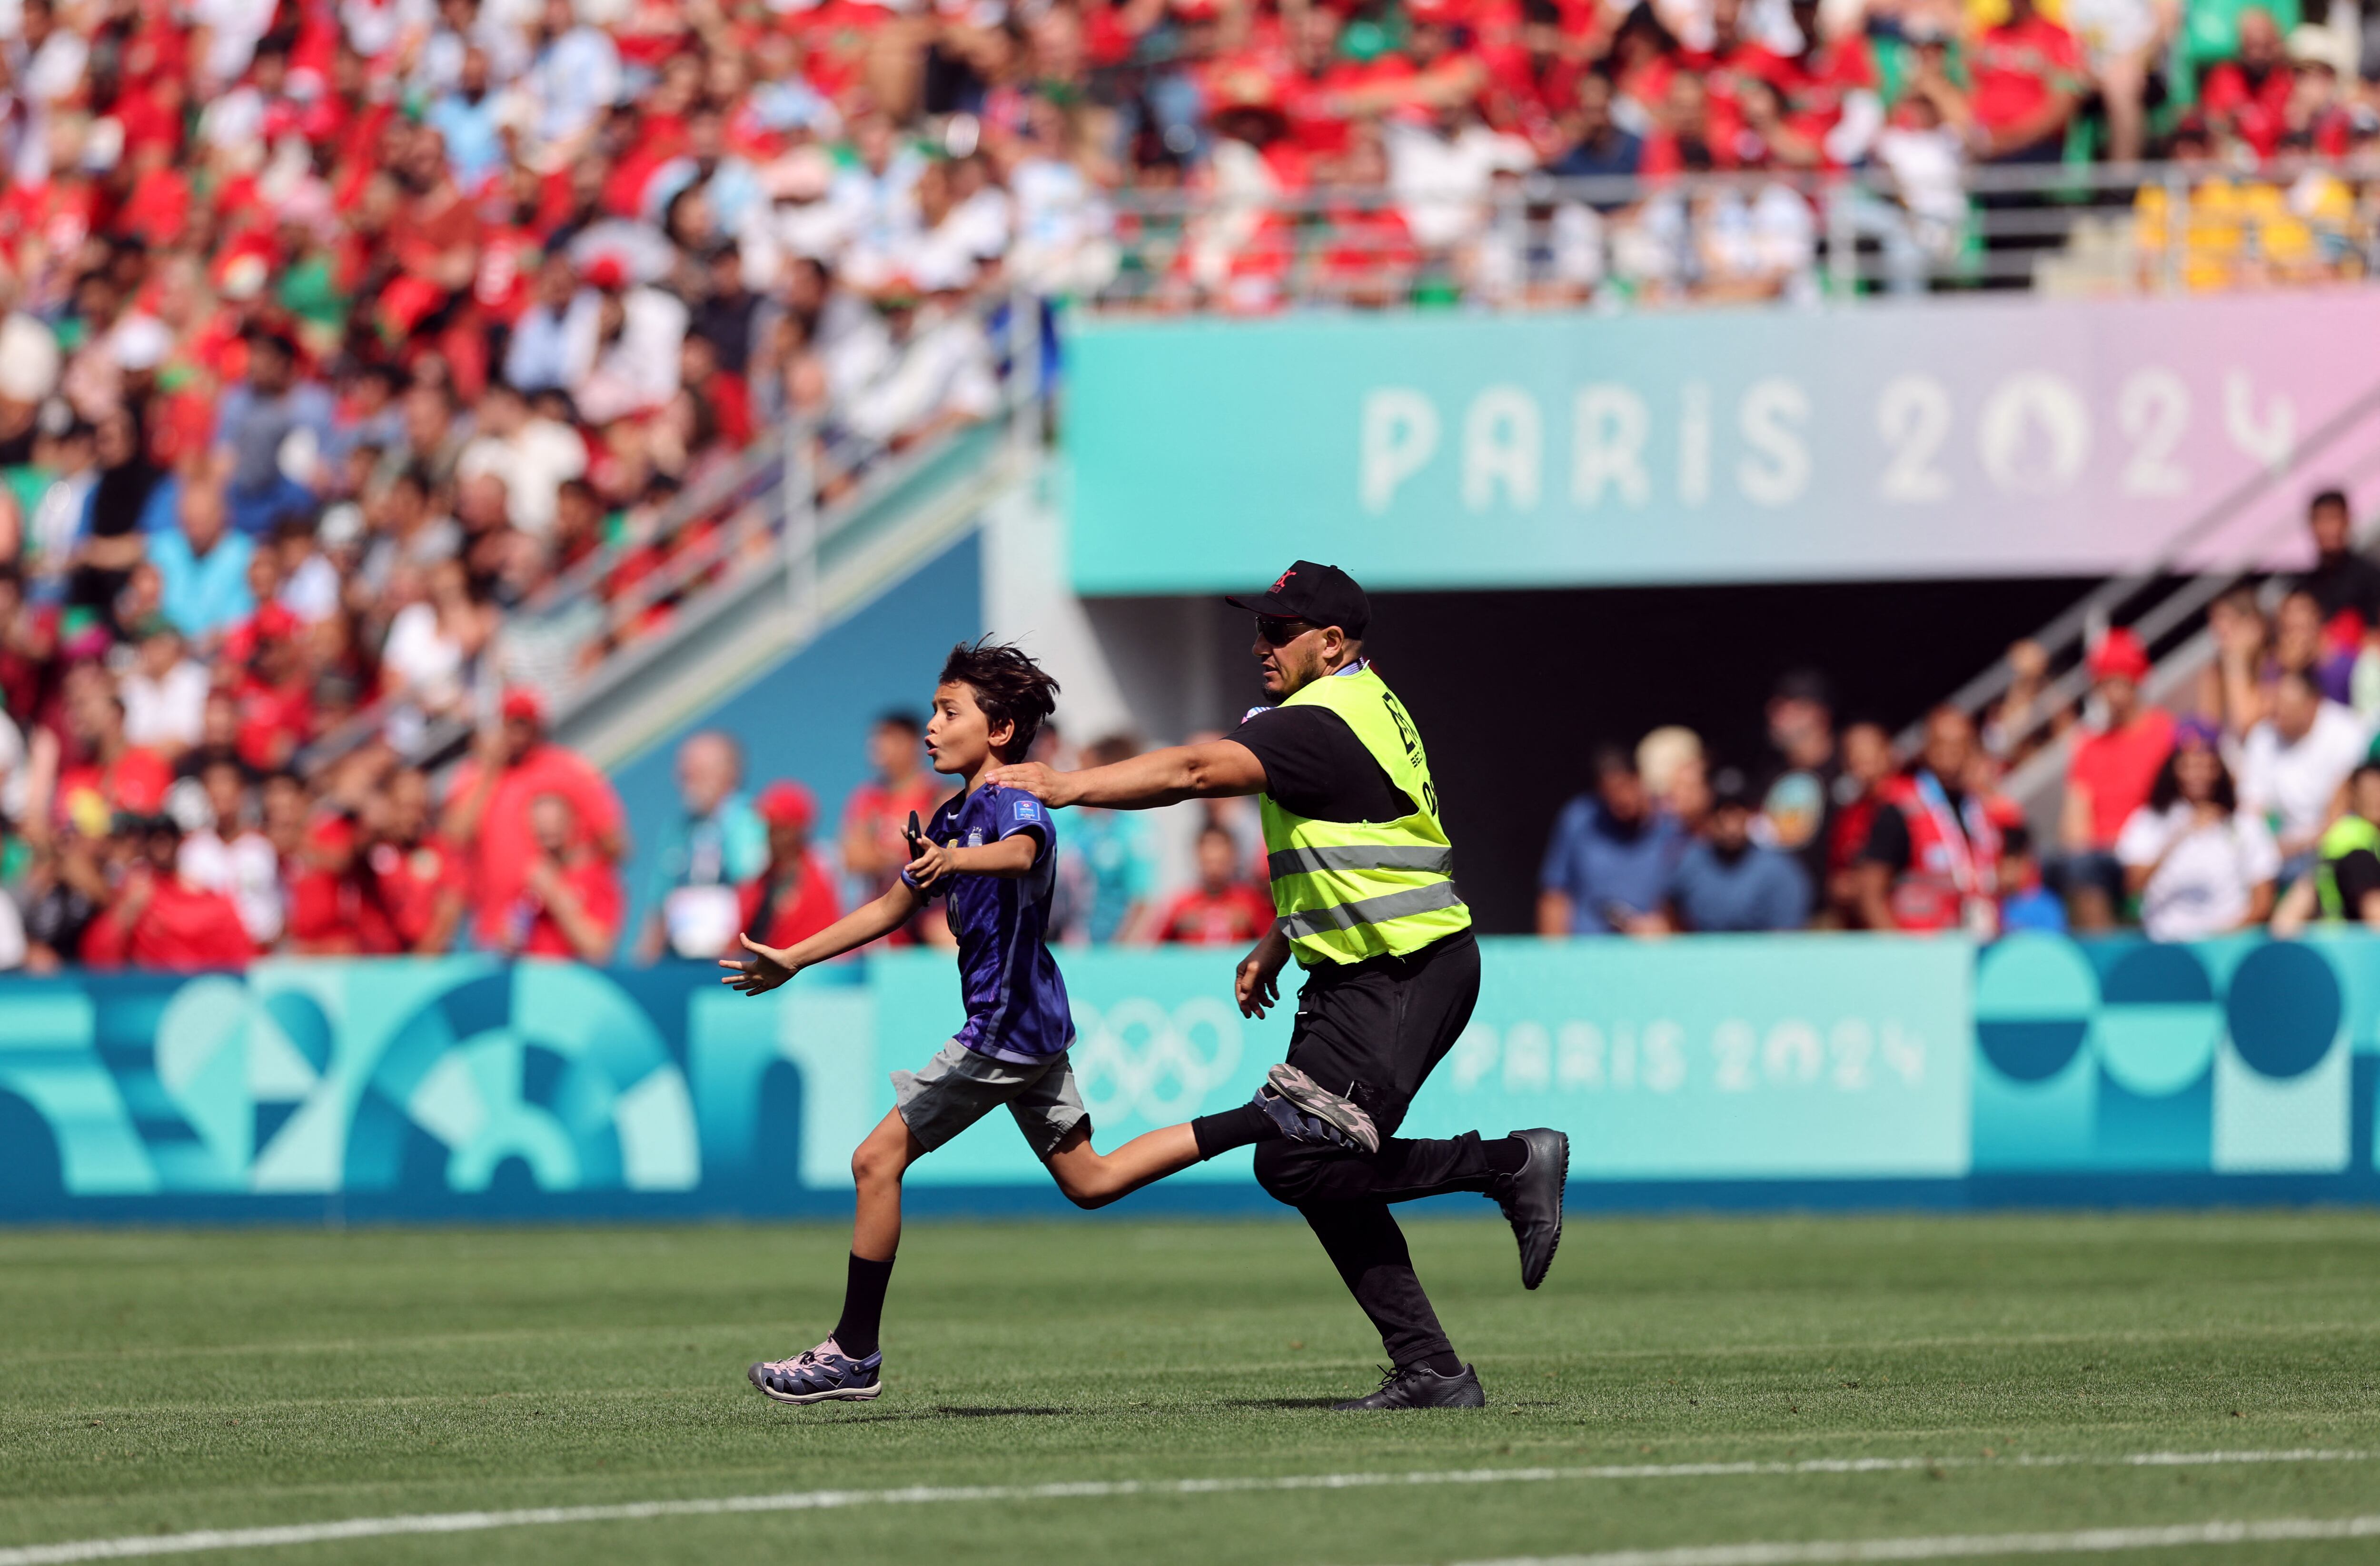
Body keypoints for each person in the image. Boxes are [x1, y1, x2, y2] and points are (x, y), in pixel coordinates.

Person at [985, 562, 1567, 1412]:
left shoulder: (1321, 720)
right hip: (1363, 966)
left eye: (1281, 629)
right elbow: (1363, 835)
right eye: (1259, 625)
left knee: (1301, 1142)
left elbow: (1191, 771)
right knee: (1306, 1165)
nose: (1261, 642)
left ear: (1332, 644)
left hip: (1404, 970)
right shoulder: (1355, 706)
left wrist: (1067, 784)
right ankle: (1433, 1369)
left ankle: (1510, 1161)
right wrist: (1280, 936)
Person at [723, 641, 1286, 1405]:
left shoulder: (1010, 801)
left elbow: (1025, 851)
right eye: (932, 709)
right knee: (1092, 1180)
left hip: (1004, 1028)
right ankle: (1264, 1117)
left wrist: (957, 863)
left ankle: (853, 1353)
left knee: (873, 1162)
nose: (931, 725)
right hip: (1033, 1024)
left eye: (949, 711)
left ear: (1000, 730)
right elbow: (892, 906)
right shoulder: (957, 813)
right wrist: (794, 956)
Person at [442, 687, 627, 950]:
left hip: (561, 924)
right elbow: (454, 836)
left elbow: (614, 842)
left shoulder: (566, 768)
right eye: (511, 725)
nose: (517, 735)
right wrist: (492, 769)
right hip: (499, 928)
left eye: (524, 725)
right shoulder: (476, 773)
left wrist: (564, 882)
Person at [2115, 722, 2280, 941]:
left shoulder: (2245, 824)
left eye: (2205, 765)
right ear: (2174, 768)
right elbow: (2133, 886)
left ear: (2218, 769)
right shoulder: (2149, 821)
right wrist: (2180, 835)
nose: (2197, 775)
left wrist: (2217, 941)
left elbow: (2262, 903)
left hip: (2227, 945)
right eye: (2189, 765)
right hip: (2166, 945)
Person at [2055, 628, 2174, 930]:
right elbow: (2074, 823)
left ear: (2136, 678)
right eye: (2103, 682)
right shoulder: (2087, 746)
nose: (2111, 691)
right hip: (2102, 858)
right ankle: (2103, 959)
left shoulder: (2167, 733)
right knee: (2068, 866)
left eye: (2118, 679)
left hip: (2153, 851)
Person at [1856, 707, 2005, 935]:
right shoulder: (1901, 810)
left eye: (1959, 744)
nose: (1949, 753)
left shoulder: (1982, 811)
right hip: (1922, 951)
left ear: (1972, 749)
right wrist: (1900, 951)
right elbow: (1870, 894)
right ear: (1926, 749)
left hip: (1976, 946)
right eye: (1941, 743)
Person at [636, 729, 767, 962]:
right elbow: (659, 905)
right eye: (684, 773)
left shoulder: (752, 820)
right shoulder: (677, 830)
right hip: (680, 961)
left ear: (729, 774)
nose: (685, 780)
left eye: (697, 773)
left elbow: (754, 886)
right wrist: (645, 965)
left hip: (735, 963)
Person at [2235, 666, 2370, 882]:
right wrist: (2261, 848)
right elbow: (2251, 809)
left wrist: (2294, 847)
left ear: (2313, 704)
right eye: (2276, 707)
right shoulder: (2263, 736)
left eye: (2287, 708)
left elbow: (2340, 814)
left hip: (2327, 845)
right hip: (2273, 850)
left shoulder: (2347, 732)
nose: (2277, 715)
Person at [1538, 747, 1685, 936]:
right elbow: (1555, 894)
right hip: (1587, 950)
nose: (1621, 799)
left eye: (1625, 787)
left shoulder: (1673, 824)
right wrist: (1554, 958)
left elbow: (1690, 900)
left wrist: (1668, 927)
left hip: (1650, 952)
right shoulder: (1579, 820)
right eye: (1610, 792)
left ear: (1639, 779)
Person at [839, 710, 948, 947]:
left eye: (888, 737)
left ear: (911, 744)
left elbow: (945, 850)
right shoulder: (867, 799)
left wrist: (886, 850)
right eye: (876, 738)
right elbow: (853, 858)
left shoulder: (939, 795)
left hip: (934, 910)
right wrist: (901, 854)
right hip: (884, 917)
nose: (877, 745)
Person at [1667, 768, 1811, 932]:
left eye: (1737, 812)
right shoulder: (1690, 861)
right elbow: (1668, 912)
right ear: (1709, 816)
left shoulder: (1780, 870)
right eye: (1722, 812)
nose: (1730, 826)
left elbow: (1786, 939)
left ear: (1750, 815)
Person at [504, 792, 626, 963]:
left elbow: (598, 951)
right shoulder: (530, 879)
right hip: (533, 979)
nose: (548, 833)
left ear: (573, 823)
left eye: (555, 826)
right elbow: (510, 942)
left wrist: (554, 894)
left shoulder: (596, 874)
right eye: (541, 831)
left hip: (575, 982)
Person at [1755, 669, 1842, 893]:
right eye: (1775, 707)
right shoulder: (1771, 776)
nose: (1774, 715)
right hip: (1782, 913)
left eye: (1786, 707)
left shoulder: (1848, 769)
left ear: (1819, 715)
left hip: (1833, 913)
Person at [735, 780, 842, 952]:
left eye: (778, 828)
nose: (770, 836)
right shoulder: (756, 884)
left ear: (797, 831)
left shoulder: (827, 874)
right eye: (769, 828)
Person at [2273, 763, 2380, 932]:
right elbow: (2376, 916)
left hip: (2334, 946)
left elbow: (2287, 918)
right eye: (2370, 791)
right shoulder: (2356, 846)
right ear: (2354, 796)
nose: (2375, 798)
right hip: (2360, 951)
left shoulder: (2335, 840)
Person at [1149, 824, 1278, 945]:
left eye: (1220, 863)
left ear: (1232, 859)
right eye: (1209, 863)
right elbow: (1156, 948)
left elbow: (1271, 942)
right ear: (1198, 858)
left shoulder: (1251, 902)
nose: (1214, 871)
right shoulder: (1182, 905)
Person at [2291, 487, 2380, 628]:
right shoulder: (2305, 586)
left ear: (2347, 521)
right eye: (2321, 520)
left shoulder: (2371, 577)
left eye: (2333, 518)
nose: (2327, 529)